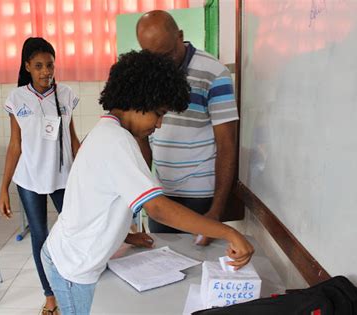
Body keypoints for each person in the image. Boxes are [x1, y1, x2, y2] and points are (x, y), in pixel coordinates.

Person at [42, 50, 254, 315]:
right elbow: (158, 208)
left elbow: (93, 203)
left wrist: (125, 235)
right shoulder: (116, 141)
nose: (160, 124)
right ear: (136, 101)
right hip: (72, 266)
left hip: (71, 252)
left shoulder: (110, 132)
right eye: (158, 113)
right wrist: (228, 232)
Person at [136, 10, 239, 245]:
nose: (162, 64)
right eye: (154, 57)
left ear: (180, 36)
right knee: (163, 264)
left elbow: (227, 145)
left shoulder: (214, 73)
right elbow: (142, 138)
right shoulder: (147, 73)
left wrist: (216, 211)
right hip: (161, 195)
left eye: (167, 54)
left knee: (199, 267)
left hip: (200, 197)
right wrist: (142, 196)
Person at [0, 37, 81, 315]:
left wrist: (85, 174)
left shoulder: (66, 94)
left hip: (63, 177)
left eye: (50, 65)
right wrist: (3, 188)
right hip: (30, 179)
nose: (46, 71)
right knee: (40, 236)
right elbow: (14, 145)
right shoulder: (17, 98)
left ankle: (74, 284)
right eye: (39, 66)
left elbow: (72, 139)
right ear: (27, 67)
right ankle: (49, 295)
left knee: (74, 231)